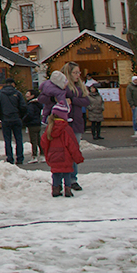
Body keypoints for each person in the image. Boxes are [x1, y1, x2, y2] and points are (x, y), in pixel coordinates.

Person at [41, 62, 89, 190]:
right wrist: (54, 100)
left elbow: (86, 101)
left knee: (73, 150)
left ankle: (72, 179)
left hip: (76, 122)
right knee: (60, 151)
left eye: (79, 72)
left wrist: (72, 100)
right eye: (75, 72)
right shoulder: (60, 86)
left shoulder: (80, 87)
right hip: (60, 124)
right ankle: (60, 178)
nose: (78, 75)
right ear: (68, 73)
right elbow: (43, 98)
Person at [41, 101, 83, 197]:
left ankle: (55, 189)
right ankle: (67, 190)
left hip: (54, 155)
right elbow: (72, 145)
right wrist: (78, 158)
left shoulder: (49, 128)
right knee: (67, 172)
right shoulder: (66, 129)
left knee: (56, 173)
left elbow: (44, 142)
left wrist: (48, 154)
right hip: (66, 156)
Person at [0, 77, 28, 164]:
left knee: (7, 140)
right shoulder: (18, 93)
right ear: (13, 84)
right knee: (19, 139)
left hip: (5, 119)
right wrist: (20, 116)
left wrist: (1, 117)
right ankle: (20, 158)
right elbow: (23, 107)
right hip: (16, 118)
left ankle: (9, 158)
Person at [24, 88, 44, 163]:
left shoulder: (30, 105)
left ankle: (34, 156)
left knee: (33, 141)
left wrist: (24, 120)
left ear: (32, 95)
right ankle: (42, 154)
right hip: (37, 123)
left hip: (32, 124)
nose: (26, 95)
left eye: (28, 94)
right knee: (38, 140)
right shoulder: (37, 104)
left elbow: (30, 114)